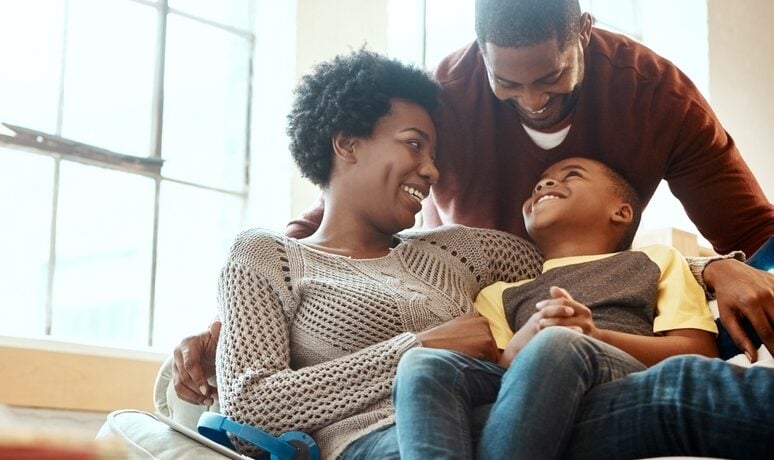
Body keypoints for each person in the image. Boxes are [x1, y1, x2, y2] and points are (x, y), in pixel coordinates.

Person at [286, 0, 774, 361]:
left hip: (615, 318)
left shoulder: (656, 98)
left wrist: (720, 269)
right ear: (481, 50)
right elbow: (345, 207)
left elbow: (757, 232)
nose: (533, 101)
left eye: (551, 77)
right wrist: (252, 310)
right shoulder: (445, 100)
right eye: (509, 84)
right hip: (482, 321)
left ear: (584, 32)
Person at [212, 48, 544, 459]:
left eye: (433, 156)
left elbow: (556, 264)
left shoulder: (460, 249)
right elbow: (251, 408)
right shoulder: (266, 256)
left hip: (501, 422)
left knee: (645, 393)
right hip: (380, 443)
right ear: (348, 144)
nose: (431, 171)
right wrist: (420, 348)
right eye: (414, 145)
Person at [393, 156, 722, 458]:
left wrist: (594, 335)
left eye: (572, 175)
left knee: (558, 342)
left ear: (620, 212)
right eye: (539, 182)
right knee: (422, 362)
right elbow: (503, 374)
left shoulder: (655, 260)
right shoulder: (499, 293)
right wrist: (526, 339)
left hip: (620, 373)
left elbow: (699, 353)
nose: (543, 185)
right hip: (536, 393)